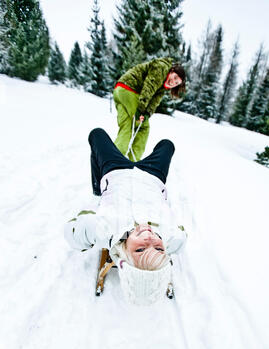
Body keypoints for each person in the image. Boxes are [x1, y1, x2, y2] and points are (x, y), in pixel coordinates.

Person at [64, 128, 187, 306]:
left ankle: (97, 189)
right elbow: (181, 238)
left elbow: (72, 234)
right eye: (159, 250)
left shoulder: (106, 230)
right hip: (151, 176)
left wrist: (85, 226)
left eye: (140, 250)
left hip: (116, 172)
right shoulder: (172, 238)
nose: (149, 237)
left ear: (124, 257)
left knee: (97, 135)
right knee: (167, 145)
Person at [113, 57, 186, 162]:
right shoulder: (161, 68)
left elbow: (155, 101)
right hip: (130, 89)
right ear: (172, 70)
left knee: (127, 125)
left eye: (176, 83)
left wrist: (147, 114)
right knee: (143, 127)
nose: (173, 82)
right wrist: (140, 111)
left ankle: (114, 158)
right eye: (174, 78)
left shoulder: (163, 85)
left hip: (120, 90)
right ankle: (134, 160)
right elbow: (149, 88)